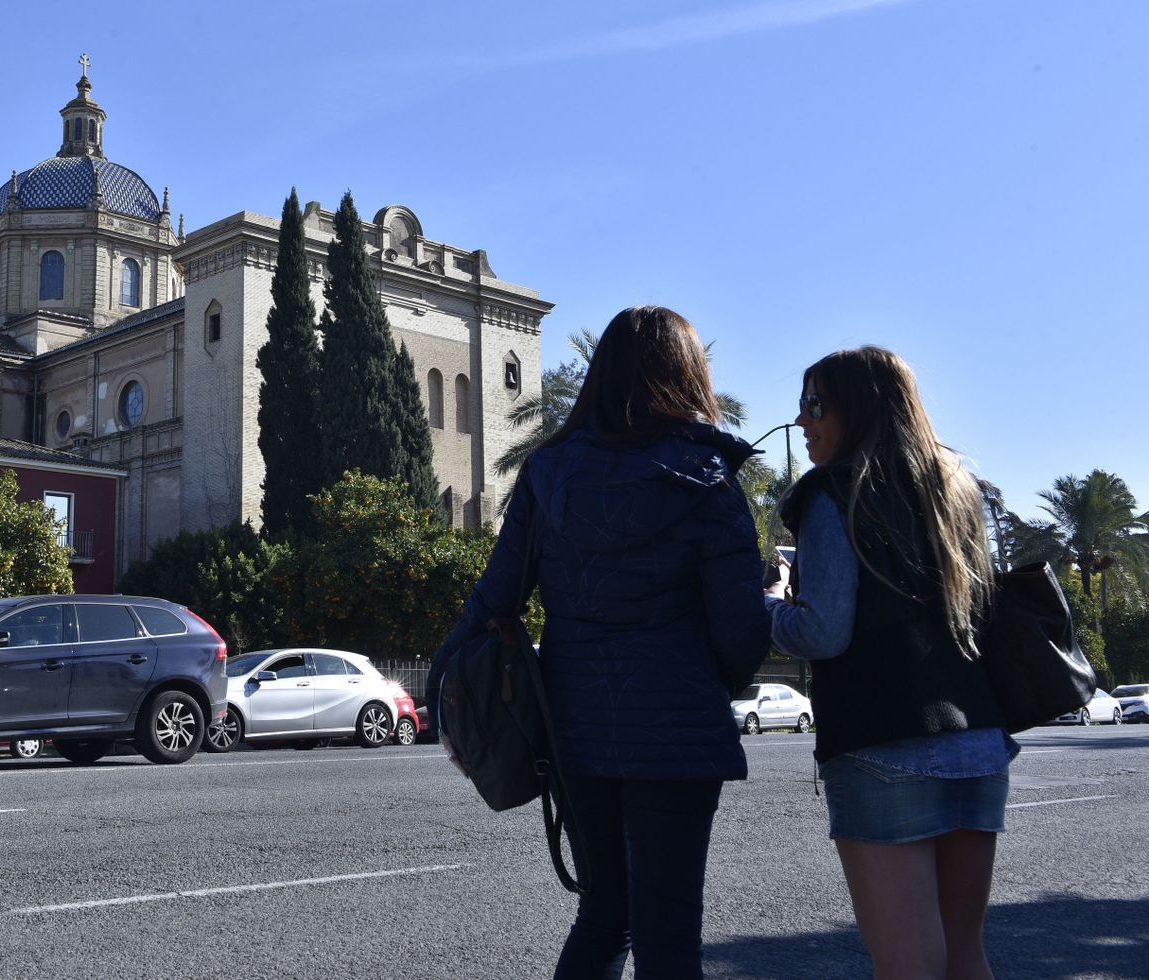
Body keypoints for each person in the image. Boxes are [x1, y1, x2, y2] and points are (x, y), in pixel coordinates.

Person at [428, 306, 771, 980]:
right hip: (678, 738)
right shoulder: (710, 481)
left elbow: (494, 599)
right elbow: (741, 634)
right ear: (688, 377)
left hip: (575, 729)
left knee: (604, 915)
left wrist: (446, 695)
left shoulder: (548, 474)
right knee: (670, 940)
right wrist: (699, 685)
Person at [764, 345, 1014, 980]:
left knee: (908, 965)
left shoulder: (834, 493)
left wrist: (766, 603)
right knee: (964, 957)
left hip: (883, 745)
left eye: (815, 404)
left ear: (860, 406)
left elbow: (824, 630)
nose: (801, 420)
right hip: (979, 742)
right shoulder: (955, 489)